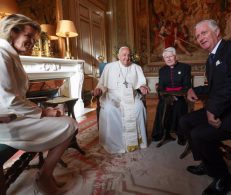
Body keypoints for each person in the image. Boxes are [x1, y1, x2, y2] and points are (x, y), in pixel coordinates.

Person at [179, 19, 231, 195]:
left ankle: (224, 178)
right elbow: (214, 88)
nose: (200, 38)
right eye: (197, 36)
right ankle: (207, 164)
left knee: (199, 134)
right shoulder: (211, 59)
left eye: (204, 33)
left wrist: (213, 108)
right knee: (185, 121)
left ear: (217, 32)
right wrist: (195, 89)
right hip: (227, 106)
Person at [0, 14, 78, 194]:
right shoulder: (2, 54)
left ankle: (45, 175)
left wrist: (44, 109)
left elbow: (14, 97)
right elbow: (9, 99)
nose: (32, 43)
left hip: (13, 117)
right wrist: (44, 112)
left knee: (67, 122)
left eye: (34, 40)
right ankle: (44, 176)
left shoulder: (10, 54)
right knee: (69, 124)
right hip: (5, 122)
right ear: (13, 31)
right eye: (29, 37)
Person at [93, 46, 149, 154]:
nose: (126, 58)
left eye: (128, 55)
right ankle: (116, 144)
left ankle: (137, 141)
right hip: (113, 96)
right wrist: (99, 89)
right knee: (109, 109)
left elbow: (141, 83)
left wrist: (142, 87)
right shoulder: (109, 67)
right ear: (118, 56)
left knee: (139, 107)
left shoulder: (136, 67)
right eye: (124, 55)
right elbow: (102, 84)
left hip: (131, 96)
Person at [152, 47, 191, 145]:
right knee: (163, 106)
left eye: (170, 56)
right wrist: (166, 96)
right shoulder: (162, 70)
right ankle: (164, 133)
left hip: (181, 96)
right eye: (166, 57)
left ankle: (181, 134)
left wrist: (176, 96)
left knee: (179, 106)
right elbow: (161, 87)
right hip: (166, 96)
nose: (168, 59)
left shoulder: (185, 67)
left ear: (175, 56)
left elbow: (187, 86)